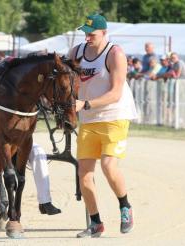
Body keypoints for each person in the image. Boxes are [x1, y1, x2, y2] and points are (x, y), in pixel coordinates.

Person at [71, 14, 137, 238]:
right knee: (84, 175)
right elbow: (64, 73)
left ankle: (125, 207)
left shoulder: (114, 54)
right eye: (85, 33)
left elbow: (116, 94)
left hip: (114, 116)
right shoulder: (78, 52)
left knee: (109, 166)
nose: (87, 38)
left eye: (92, 34)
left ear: (104, 33)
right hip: (88, 119)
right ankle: (96, 223)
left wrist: (85, 103)